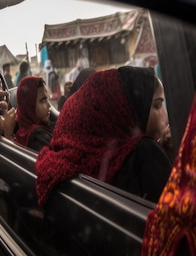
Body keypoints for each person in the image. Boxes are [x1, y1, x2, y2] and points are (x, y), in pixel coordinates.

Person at [35, 66, 172, 206]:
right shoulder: (145, 154)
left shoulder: (73, 159)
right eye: (157, 106)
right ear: (127, 110)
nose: (166, 116)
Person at [12, 76, 52, 152]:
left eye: (48, 98)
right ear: (29, 105)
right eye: (43, 100)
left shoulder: (23, 131)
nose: (49, 105)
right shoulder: (38, 137)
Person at [0, 66, 16, 139]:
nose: (1, 90)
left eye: (0, 84)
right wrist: (7, 131)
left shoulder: (3, 113)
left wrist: (5, 112)